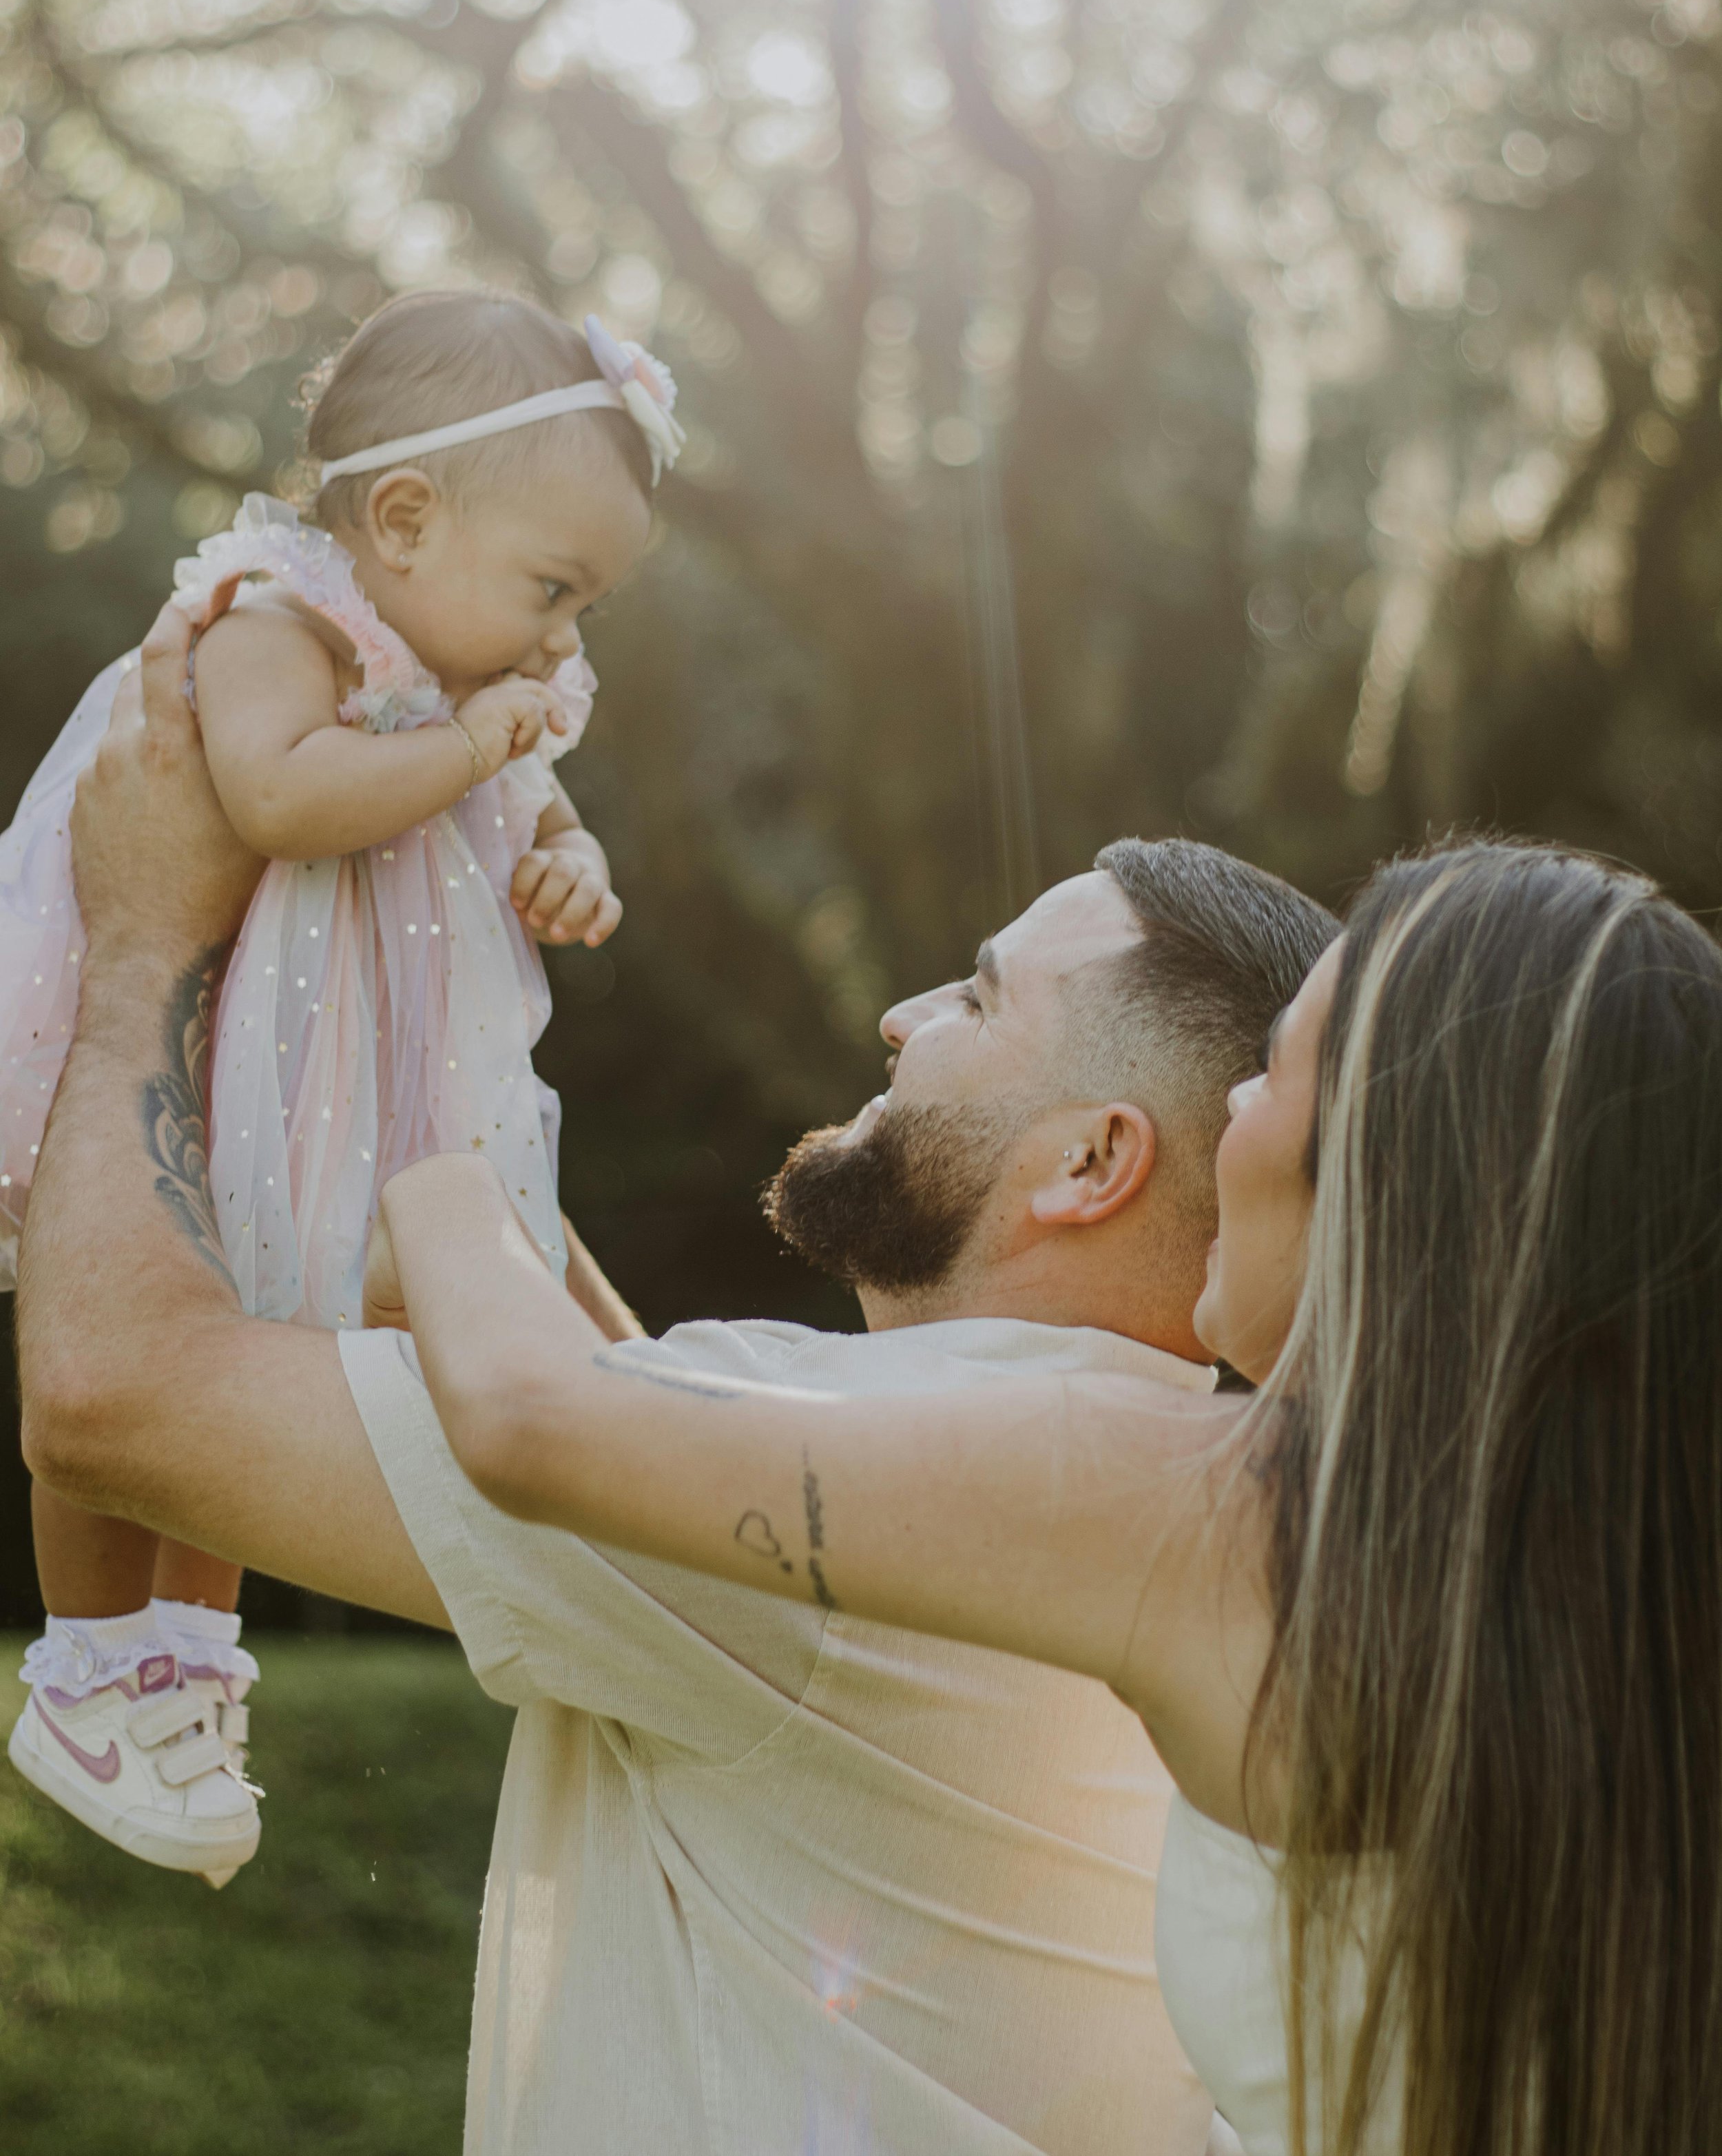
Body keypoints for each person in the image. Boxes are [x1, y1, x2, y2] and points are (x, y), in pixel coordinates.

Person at [15, 612, 1338, 2156]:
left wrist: (143, 945)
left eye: (977, 1002)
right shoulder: (1150, 1470)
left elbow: (109, 1395)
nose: (900, 1018)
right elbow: (655, 1467)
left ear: (1093, 1160)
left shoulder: (897, 1482)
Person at [362, 838, 1722, 2156]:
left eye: (1275, 1083)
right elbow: (672, 1427)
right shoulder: (1617, 1605)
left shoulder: (1203, 1508)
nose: (1229, 1113)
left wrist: (435, 1130)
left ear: (1387, 1177)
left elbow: (536, 1420)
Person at [1, 290, 670, 1883]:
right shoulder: (272, 623)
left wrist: (567, 854)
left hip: (337, 1075)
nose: (564, 640)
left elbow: (534, 803)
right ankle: (95, 1662)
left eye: (585, 607)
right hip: (216, 1032)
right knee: (144, 1310)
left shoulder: (471, 664)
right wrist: (472, 747)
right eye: (552, 588)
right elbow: (282, 796)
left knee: (270, 1331)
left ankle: (189, 1660)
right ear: (406, 518)